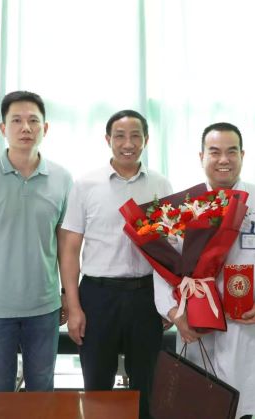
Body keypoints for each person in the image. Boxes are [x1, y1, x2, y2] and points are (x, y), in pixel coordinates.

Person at [154, 122, 255, 419]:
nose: (223, 159)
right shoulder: (183, 206)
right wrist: (175, 314)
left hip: (246, 322)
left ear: (242, 155)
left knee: (243, 408)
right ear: (201, 156)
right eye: (214, 152)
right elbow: (163, 263)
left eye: (232, 151)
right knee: (200, 408)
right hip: (197, 325)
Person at [0, 90, 73, 392]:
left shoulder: (62, 179)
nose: (25, 128)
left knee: (42, 392)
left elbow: (67, 248)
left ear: (45, 128)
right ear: (3, 128)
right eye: (16, 120)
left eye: (33, 121)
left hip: (44, 308)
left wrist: (68, 296)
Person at [60, 110, 172, 419]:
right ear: (108, 139)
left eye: (135, 136)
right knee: (97, 384)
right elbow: (70, 250)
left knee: (146, 384)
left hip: (145, 295)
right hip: (98, 295)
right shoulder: (86, 185)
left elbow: (169, 248)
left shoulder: (160, 185)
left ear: (146, 140)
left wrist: (169, 302)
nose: (128, 143)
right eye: (120, 136)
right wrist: (74, 307)